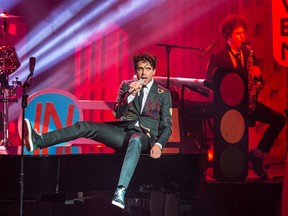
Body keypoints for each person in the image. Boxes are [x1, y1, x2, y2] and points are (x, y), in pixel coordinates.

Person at [23, 52, 173, 209]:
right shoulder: (126, 86)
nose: (144, 73)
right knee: (85, 126)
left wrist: (159, 145)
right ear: (135, 71)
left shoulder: (164, 94)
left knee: (136, 139)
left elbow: (167, 126)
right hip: (123, 133)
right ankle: (38, 140)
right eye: (140, 69)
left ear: (154, 71)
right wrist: (130, 95)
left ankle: (120, 191)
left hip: (145, 138)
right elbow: (117, 113)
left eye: (148, 69)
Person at [206, 14, 286, 179]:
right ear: (228, 36)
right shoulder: (218, 57)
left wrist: (258, 75)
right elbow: (209, 82)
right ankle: (227, 169)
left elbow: (258, 81)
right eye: (238, 33)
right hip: (228, 107)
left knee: (279, 119)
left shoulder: (249, 54)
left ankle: (257, 153)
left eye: (244, 32)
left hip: (248, 104)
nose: (243, 36)